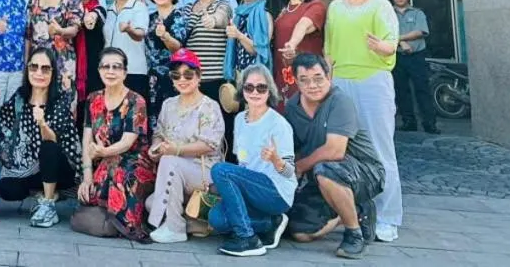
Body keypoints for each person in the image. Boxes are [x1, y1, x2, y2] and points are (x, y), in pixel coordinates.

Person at [325, 0, 402, 243]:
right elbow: (329, 50)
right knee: (343, 149)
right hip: (340, 83)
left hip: (372, 82)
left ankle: (388, 217)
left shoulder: (380, 5)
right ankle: (353, 213)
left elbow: (391, 44)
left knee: (380, 149)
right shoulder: (335, 7)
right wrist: (327, 83)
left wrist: (382, 46)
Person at [285, 54, 386, 260]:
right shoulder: (292, 107)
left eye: (318, 78)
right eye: (304, 80)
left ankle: (354, 234)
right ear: (296, 81)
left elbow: (335, 151)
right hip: (321, 177)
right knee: (299, 232)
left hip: (364, 172)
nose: (313, 85)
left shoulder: (340, 102)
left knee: (325, 169)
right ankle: (355, 210)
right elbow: (291, 148)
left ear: (328, 76)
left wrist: (300, 167)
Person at [206, 63, 296, 257]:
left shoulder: (278, 124)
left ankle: (247, 238)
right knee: (216, 218)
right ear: (242, 90)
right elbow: (243, 164)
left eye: (261, 87)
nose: (255, 92)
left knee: (220, 169)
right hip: (251, 190)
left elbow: (290, 172)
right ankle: (270, 223)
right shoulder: (239, 119)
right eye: (249, 87)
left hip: (276, 191)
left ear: (269, 91)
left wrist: (275, 160)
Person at [73, 47, 153, 241]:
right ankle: (110, 221)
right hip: (105, 160)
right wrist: (87, 176)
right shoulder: (93, 99)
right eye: (106, 66)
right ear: (99, 70)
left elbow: (127, 142)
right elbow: (87, 139)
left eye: (116, 67)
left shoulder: (136, 101)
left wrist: (103, 151)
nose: (111, 71)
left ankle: (127, 224)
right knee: (90, 192)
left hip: (135, 161)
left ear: (125, 72)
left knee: (120, 176)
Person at [146, 49, 224, 245]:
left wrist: (176, 150)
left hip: (204, 171)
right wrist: (155, 148)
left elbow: (209, 144)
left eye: (188, 75)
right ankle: (192, 222)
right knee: (151, 204)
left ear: (199, 76)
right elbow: (159, 134)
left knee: (170, 161)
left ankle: (175, 229)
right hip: (173, 171)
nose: (182, 79)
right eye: (176, 75)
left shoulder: (209, 106)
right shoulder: (168, 105)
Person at [0, 48, 81, 228]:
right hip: (30, 168)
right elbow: (3, 124)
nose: (39, 73)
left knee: (48, 147)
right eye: (34, 67)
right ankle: (47, 194)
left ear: (52, 73)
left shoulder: (59, 101)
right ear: (27, 70)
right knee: (6, 188)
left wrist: (42, 124)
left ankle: (48, 205)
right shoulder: (19, 98)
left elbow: (56, 143)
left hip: (60, 166)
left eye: (45, 68)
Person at [271, 0, 326, 102]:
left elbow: (303, 25)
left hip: (307, 78)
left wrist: (292, 44)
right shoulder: (283, 11)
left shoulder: (315, 6)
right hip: (282, 78)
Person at [179, 0, 233, 108]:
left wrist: (213, 20)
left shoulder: (222, 5)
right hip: (191, 80)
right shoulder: (187, 9)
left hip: (216, 79)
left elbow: (222, 17)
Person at [391, 0, 438, 134]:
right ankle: (408, 122)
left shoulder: (418, 13)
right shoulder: (387, 14)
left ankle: (429, 123)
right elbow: (385, 33)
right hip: (397, 56)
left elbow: (420, 32)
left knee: (422, 89)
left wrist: (399, 39)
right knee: (401, 90)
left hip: (417, 56)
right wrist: (401, 43)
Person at [27, 0, 82, 90]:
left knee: (62, 99)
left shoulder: (72, 0)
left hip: (63, 64)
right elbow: (28, 35)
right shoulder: (34, 0)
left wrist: (60, 31)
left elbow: (74, 29)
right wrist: (26, 63)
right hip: (38, 65)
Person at [145, 0, 187, 126]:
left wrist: (165, 36)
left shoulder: (178, 16)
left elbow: (178, 47)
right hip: (151, 77)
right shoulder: (150, 18)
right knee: (154, 120)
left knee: (172, 120)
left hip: (172, 76)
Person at [103, 0, 151, 98]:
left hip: (132, 71)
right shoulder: (109, 10)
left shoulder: (139, 7)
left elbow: (140, 34)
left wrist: (130, 30)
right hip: (110, 72)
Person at [223, 0, 273, 88]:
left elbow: (258, 50)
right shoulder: (238, 15)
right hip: (239, 75)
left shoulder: (264, 15)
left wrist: (238, 35)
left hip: (257, 78)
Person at [74, 0, 107, 105]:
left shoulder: (99, 9)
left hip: (93, 67)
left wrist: (89, 18)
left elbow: (94, 16)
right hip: (71, 64)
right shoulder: (71, 8)